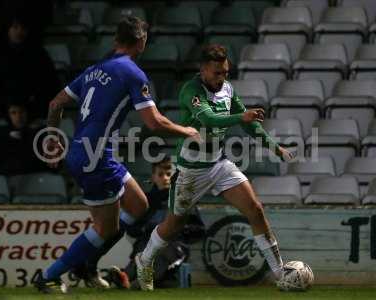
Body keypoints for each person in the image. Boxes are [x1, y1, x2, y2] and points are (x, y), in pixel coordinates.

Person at [34, 16, 200, 294]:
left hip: (88, 152)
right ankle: (49, 276)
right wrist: (187, 131)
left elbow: (55, 103)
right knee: (103, 229)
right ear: (142, 41)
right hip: (95, 158)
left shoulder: (93, 70)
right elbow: (154, 122)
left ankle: (86, 266)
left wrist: (51, 136)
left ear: (116, 40)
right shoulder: (132, 73)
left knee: (138, 205)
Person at [135, 44, 294, 291]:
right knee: (174, 225)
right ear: (203, 70)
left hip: (219, 164)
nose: (222, 78)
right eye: (217, 73)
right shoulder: (191, 90)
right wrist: (241, 117)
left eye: (226, 72)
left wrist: (276, 148)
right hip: (190, 169)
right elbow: (209, 119)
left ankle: (280, 273)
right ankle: (145, 260)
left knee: (255, 209)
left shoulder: (228, 90)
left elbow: (250, 124)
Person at [104, 155, 204, 289]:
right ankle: (124, 277)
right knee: (143, 253)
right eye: (161, 174)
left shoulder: (184, 198)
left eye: (169, 174)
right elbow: (133, 229)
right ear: (153, 177)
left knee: (161, 253)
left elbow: (199, 229)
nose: (165, 178)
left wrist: (178, 229)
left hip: (174, 245)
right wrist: (145, 229)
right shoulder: (146, 201)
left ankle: (131, 282)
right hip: (146, 243)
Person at [0, 9, 59, 119]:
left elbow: (49, 84)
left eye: (23, 28)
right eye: (15, 27)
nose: (19, 31)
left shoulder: (39, 54)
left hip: (31, 112)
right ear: (8, 29)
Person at [0, 101, 49, 176]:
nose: (18, 116)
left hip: (35, 177)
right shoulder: (3, 132)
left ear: (27, 113)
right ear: (9, 115)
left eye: (22, 112)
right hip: (7, 177)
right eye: (13, 113)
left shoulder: (40, 131)